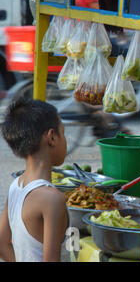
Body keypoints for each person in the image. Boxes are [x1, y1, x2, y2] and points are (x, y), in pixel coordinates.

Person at [0, 98, 69, 262]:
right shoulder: (52, 199)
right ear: (51, 137)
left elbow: (2, 244)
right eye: (63, 133)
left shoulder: (15, 186)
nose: (66, 140)